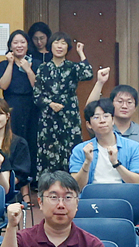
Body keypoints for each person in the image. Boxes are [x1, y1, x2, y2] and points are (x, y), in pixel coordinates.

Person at [33, 32, 102, 169]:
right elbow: (36, 95)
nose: (59, 46)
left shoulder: (72, 67)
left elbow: (88, 74)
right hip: (48, 117)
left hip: (69, 115)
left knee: (71, 150)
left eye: (63, 43)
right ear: (50, 46)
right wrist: (50, 104)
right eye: (56, 43)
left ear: (68, 47)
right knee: (49, 152)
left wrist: (81, 53)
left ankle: (72, 183)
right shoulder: (43, 68)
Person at [70, 99, 139, 188]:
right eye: (96, 117)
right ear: (89, 124)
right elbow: (76, 187)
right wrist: (87, 162)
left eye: (106, 116)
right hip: (92, 198)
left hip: (124, 197)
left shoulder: (134, 147)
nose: (102, 120)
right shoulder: (80, 150)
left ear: (113, 120)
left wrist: (116, 163)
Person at [0, 30, 39, 157]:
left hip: (32, 105)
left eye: (23, 42)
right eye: (16, 43)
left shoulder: (36, 63)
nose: (19, 45)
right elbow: (3, 85)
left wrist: (28, 69)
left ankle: (31, 174)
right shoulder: (3, 64)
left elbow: (38, 87)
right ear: (10, 46)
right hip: (12, 105)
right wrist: (10, 64)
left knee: (32, 138)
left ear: (28, 45)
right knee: (13, 138)